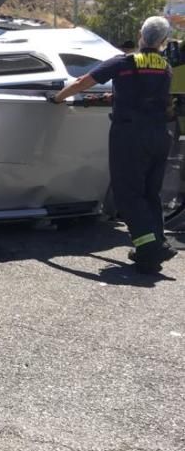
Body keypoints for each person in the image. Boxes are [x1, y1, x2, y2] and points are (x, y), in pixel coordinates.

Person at [49, 16, 178, 274]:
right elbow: (151, 98)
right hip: (160, 135)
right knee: (150, 193)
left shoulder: (124, 62)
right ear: (163, 42)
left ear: (141, 35)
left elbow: (82, 82)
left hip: (130, 135)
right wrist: (113, 97)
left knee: (128, 194)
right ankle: (154, 247)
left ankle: (149, 246)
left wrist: (58, 98)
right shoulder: (165, 67)